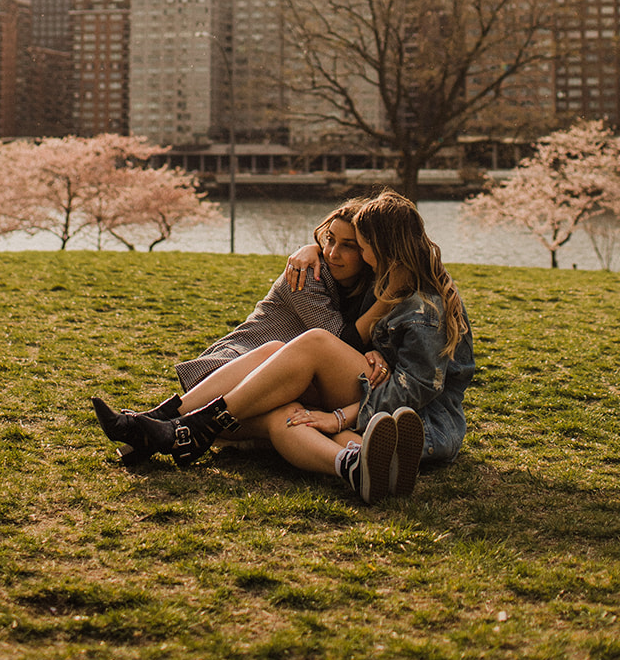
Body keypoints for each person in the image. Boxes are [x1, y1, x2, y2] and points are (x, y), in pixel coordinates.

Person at [91, 190, 475, 504]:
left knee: (314, 345)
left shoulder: (420, 303)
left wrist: (339, 417)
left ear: (379, 246)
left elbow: (418, 389)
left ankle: (179, 429)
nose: (339, 251)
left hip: (413, 421)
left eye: (358, 243)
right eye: (332, 242)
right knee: (286, 414)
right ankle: (355, 465)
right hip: (345, 398)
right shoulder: (372, 282)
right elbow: (377, 350)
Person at [97, 202, 394, 468]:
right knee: (274, 351)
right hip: (230, 378)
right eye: (329, 239)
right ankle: (161, 422)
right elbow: (337, 342)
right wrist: (312, 249)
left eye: (348, 245)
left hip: (277, 392)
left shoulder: (361, 289)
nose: (332, 252)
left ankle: (156, 432)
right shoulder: (306, 273)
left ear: (369, 252)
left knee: (291, 414)